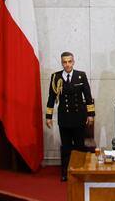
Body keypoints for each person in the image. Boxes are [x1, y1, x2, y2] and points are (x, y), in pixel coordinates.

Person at [45, 52, 94, 181]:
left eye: (69, 62)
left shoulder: (80, 76)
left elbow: (88, 96)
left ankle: (81, 171)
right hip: (64, 117)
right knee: (66, 148)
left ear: (73, 62)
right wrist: (48, 116)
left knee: (79, 146)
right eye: (64, 62)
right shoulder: (56, 77)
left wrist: (91, 115)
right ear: (62, 63)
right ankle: (66, 172)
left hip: (79, 117)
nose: (67, 64)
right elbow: (51, 97)